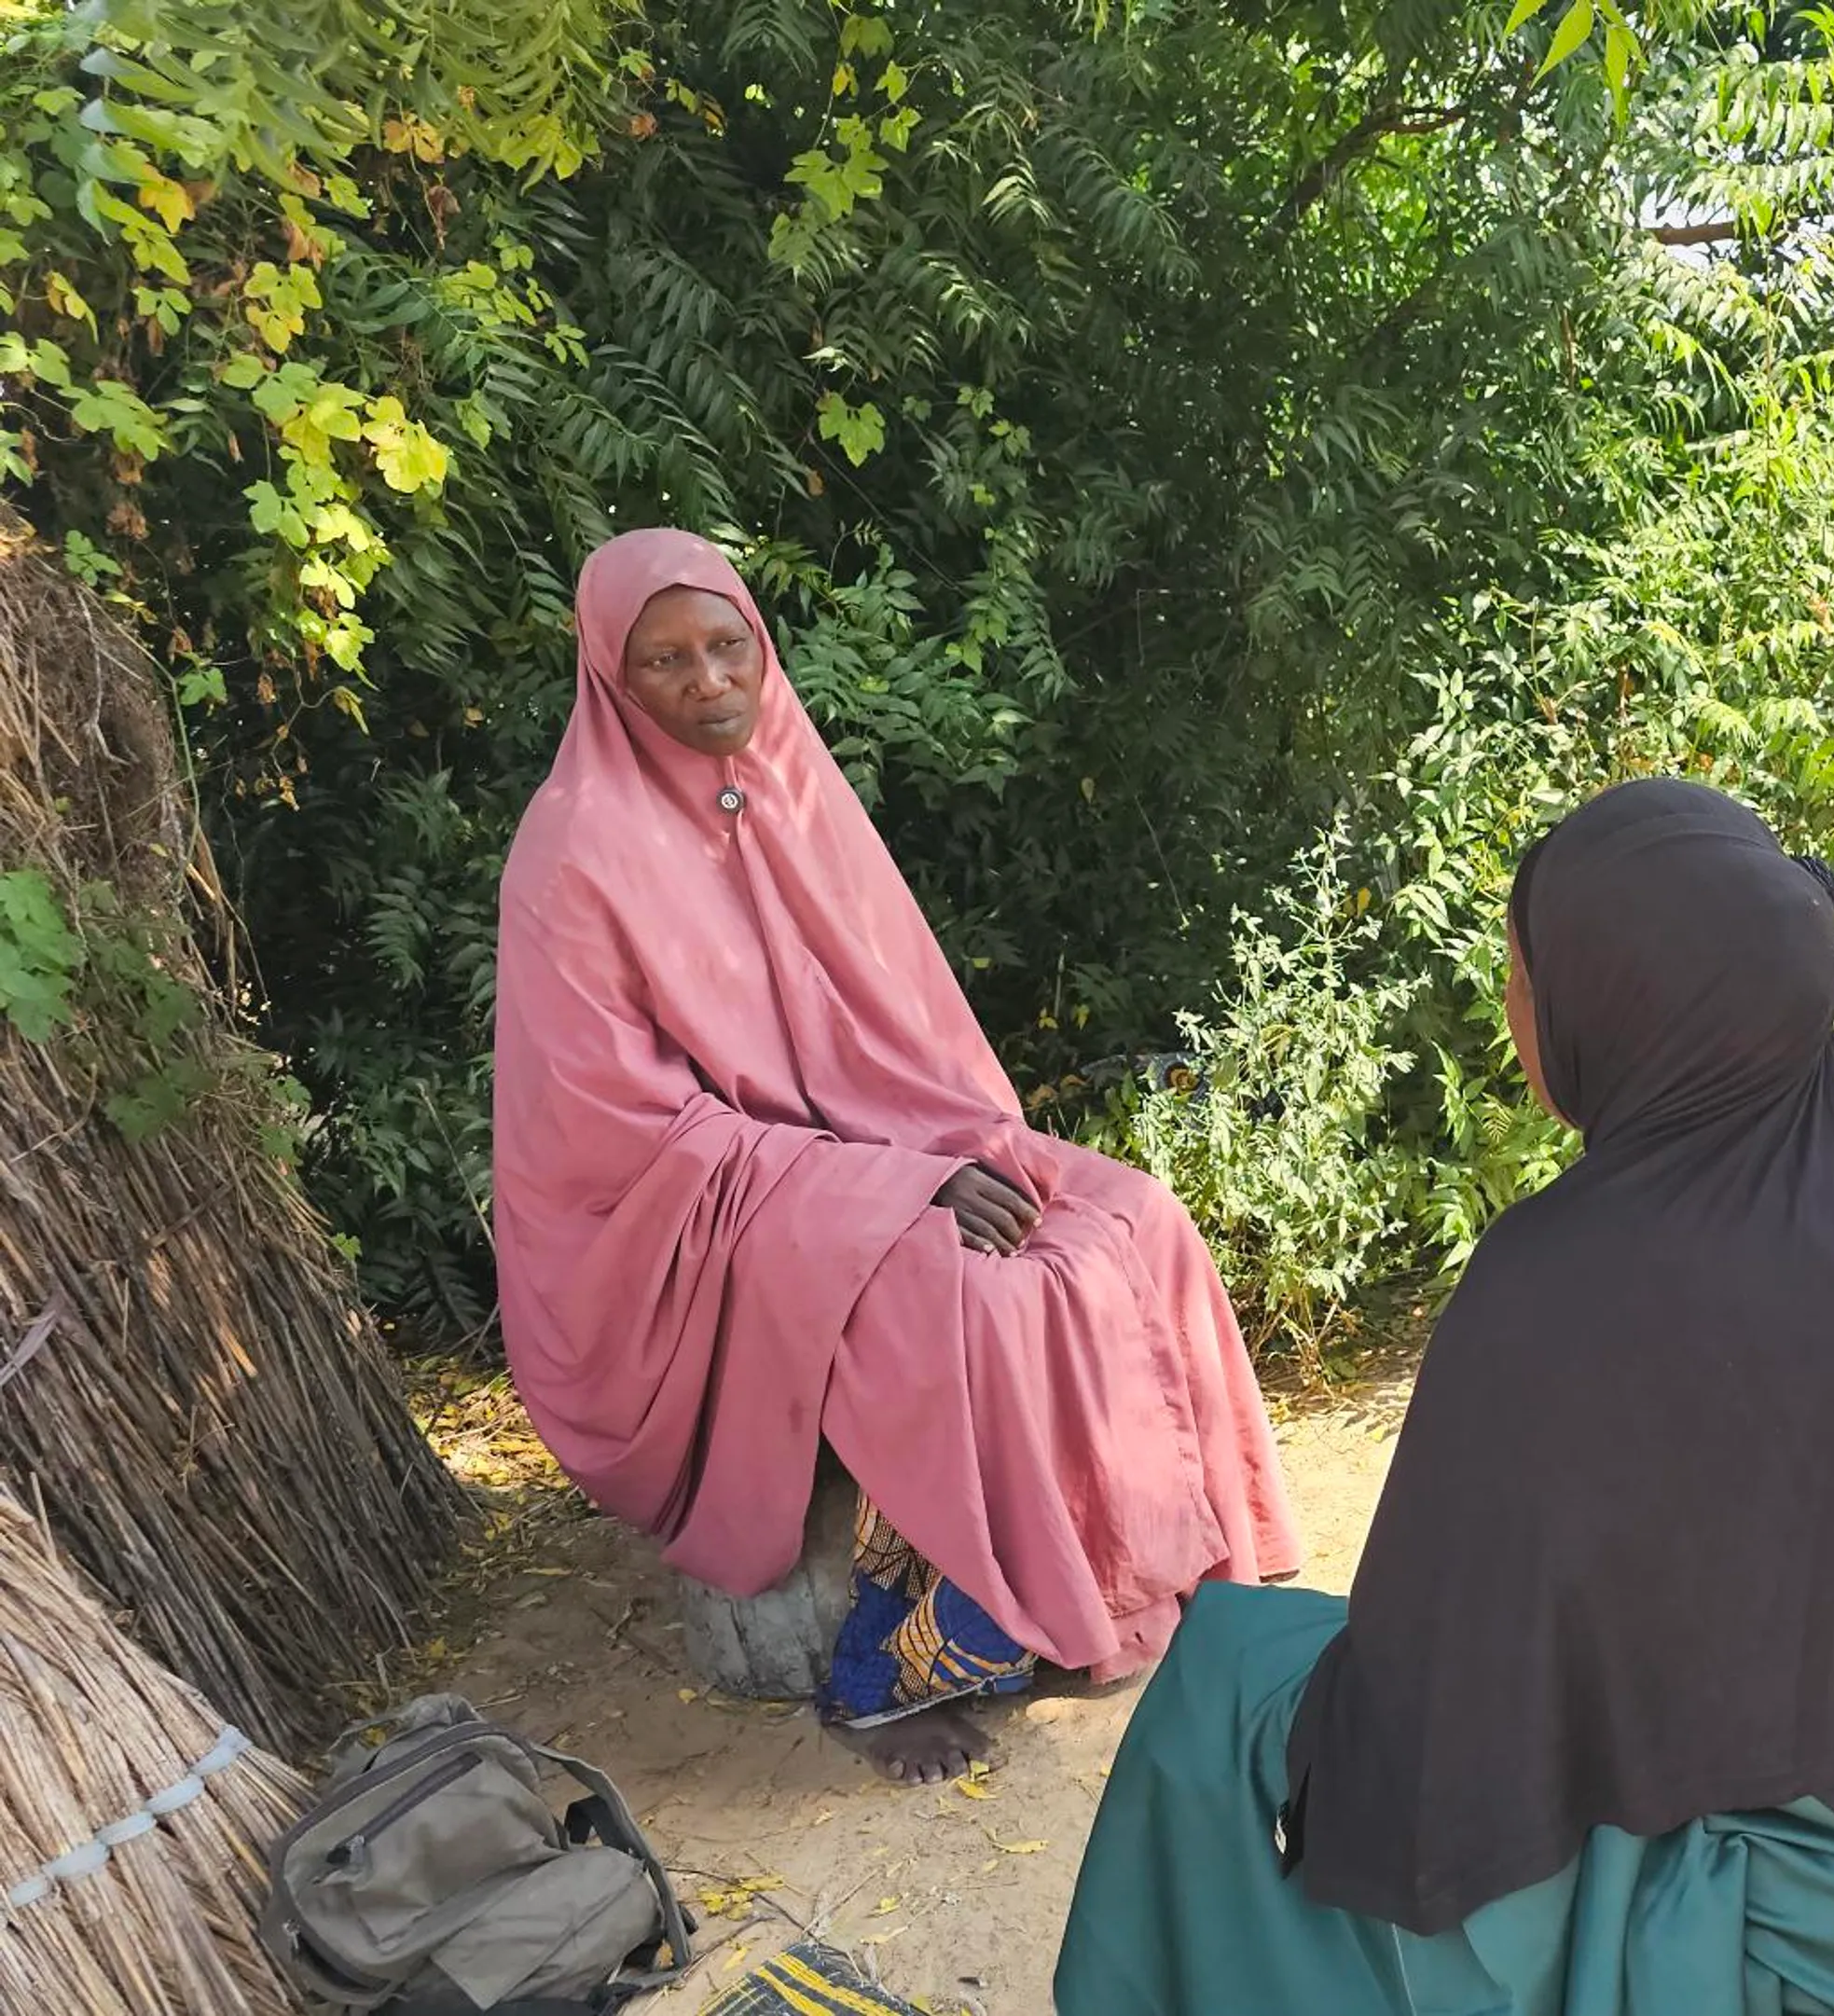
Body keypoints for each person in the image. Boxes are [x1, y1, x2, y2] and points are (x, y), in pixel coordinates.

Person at [1055, 779, 1834, 2016]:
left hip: (1798, 1918)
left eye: (1520, 977)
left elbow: (1431, 1722)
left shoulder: (1563, 1280)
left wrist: (1323, 1758)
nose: (1507, 1008)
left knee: (1228, 1672)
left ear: (1611, 1001)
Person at [494, 530, 1299, 1787]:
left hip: (873, 1142)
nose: (709, 681)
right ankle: (888, 1673)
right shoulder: (572, 848)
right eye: (667, 661)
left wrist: (946, 1148)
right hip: (687, 1215)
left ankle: (1162, 1562)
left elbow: (904, 1030)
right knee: (950, 1291)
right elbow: (618, 1132)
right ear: (613, 676)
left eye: (727, 648)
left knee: (1131, 1215)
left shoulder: (792, 785)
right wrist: (886, 1187)